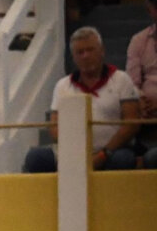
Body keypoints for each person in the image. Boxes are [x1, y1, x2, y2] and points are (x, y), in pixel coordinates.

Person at [23, 26, 139, 172]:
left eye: (90, 50)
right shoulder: (62, 85)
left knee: (123, 159)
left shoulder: (121, 79)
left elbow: (131, 124)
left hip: (111, 152)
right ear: (73, 57)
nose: (85, 56)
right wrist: (76, 154)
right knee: (35, 157)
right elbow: (54, 126)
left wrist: (103, 154)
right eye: (80, 52)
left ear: (102, 51)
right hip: (71, 153)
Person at [126, 0, 157, 169]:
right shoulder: (139, 40)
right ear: (150, 8)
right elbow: (132, 82)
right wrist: (140, 99)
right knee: (129, 100)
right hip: (146, 111)